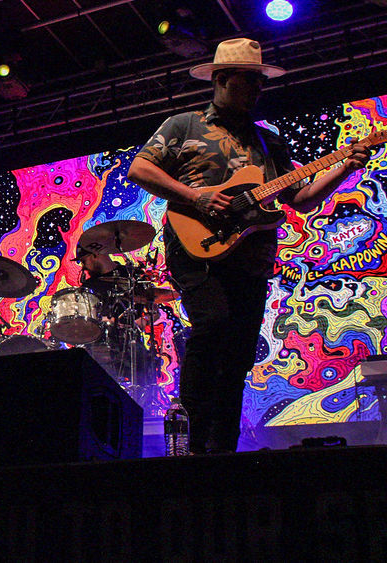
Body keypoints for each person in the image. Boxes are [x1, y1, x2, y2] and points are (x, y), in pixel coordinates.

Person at [127, 38, 369, 454]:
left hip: (252, 258)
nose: (258, 88)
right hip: (196, 245)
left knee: (239, 354)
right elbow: (140, 168)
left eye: (261, 81)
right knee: (212, 326)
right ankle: (191, 442)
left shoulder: (269, 143)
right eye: (250, 79)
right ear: (222, 79)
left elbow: (300, 199)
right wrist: (196, 196)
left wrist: (344, 167)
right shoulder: (184, 125)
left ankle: (223, 450)